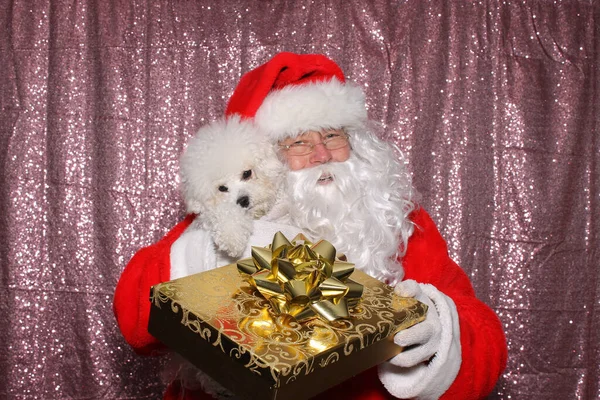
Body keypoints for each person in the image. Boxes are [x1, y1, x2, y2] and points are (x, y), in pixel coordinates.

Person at [113, 52, 507, 400]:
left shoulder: (396, 220)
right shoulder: (219, 217)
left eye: (333, 135)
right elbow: (134, 321)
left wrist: (439, 336)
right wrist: (210, 252)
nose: (321, 154)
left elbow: (485, 339)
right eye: (297, 142)